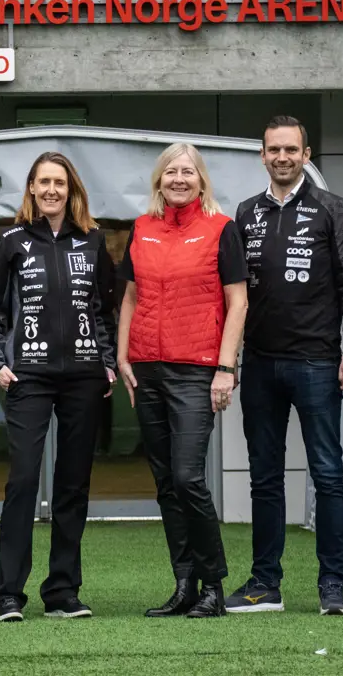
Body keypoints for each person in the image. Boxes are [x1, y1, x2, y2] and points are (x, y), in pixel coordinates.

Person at [228, 116, 343, 617]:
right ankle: (265, 584)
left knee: (328, 473)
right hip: (260, 364)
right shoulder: (246, 213)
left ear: (306, 154)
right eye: (274, 150)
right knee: (264, 477)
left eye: (291, 149)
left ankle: (332, 585)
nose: (282, 157)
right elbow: (235, 295)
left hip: (317, 362)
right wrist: (230, 359)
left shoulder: (332, 207)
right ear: (262, 155)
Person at [0, 152, 117, 623]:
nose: (52, 190)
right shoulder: (9, 241)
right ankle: (8, 593)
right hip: (29, 376)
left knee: (73, 485)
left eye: (60, 182)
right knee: (22, 480)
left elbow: (104, 309)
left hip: (83, 377)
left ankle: (62, 592)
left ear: (71, 189)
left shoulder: (94, 240)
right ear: (32, 189)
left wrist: (107, 361)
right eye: (44, 182)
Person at [116, 143, 249, 619]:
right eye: (170, 171)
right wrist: (123, 355)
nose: (178, 179)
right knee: (166, 483)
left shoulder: (221, 229)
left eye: (187, 172)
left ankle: (213, 586)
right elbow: (130, 298)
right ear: (159, 180)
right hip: (147, 369)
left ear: (201, 181)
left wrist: (225, 368)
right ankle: (184, 585)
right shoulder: (141, 229)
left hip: (196, 370)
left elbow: (238, 302)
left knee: (188, 477)